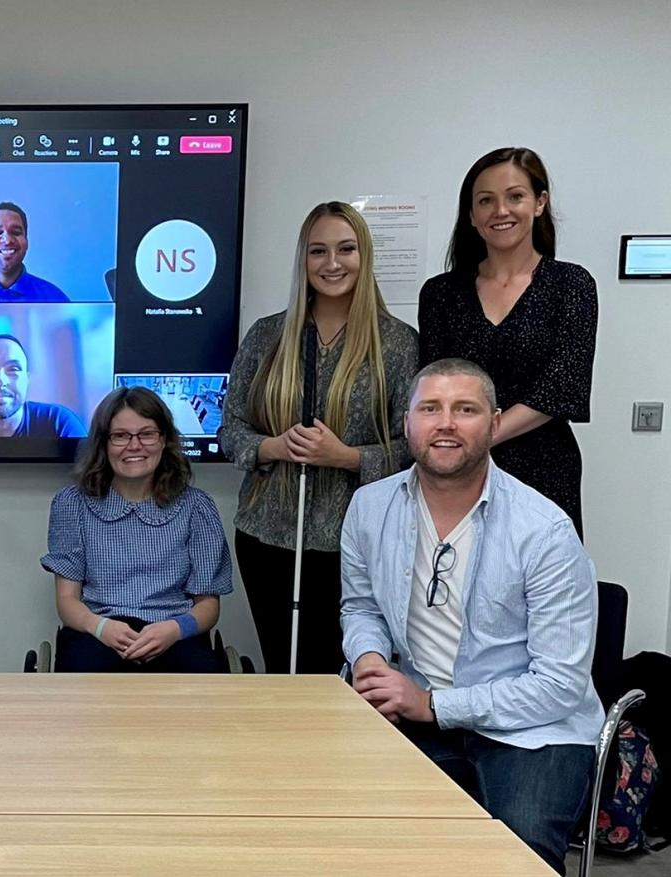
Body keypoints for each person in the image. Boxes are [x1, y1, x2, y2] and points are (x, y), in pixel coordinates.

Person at [341, 358, 600, 874]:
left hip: (534, 730)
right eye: (430, 408)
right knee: (366, 839)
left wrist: (434, 704)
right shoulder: (369, 508)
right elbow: (362, 606)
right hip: (413, 708)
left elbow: (558, 686)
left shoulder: (544, 530)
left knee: (516, 854)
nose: (446, 424)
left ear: (496, 423)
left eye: (466, 409)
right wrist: (368, 657)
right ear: (407, 421)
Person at [218, 202, 419, 674]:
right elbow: (229, 430)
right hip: (267, 536)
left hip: (358, 539)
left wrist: (346, 456)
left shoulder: (397, 343)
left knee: (341, 674)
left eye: (345, 249)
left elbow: (415, 447)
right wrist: (273, 447)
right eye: (318, 251)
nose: (332, 263)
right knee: (283, 671)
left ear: (364, 256)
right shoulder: (268, 335)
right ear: (303, 260)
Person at [418, 147, 597, 538]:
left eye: (515, 196)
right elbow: (433, 384)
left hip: (542, 467)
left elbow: (564, 386)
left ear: (539, 203)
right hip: (457, 469)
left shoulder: (571, 285)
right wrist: (461, 442)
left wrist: (481, 435)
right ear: (471, 214)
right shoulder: (440, 293)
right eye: (486, 200)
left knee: (541, 586)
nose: (501, 211)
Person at [41, 387, 232, 672]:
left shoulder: (197, 507)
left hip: (174, 631)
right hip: (98, 631)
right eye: (120, 436)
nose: (134, 446)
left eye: (147, 433)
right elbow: (67, 601)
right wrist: (102, 627)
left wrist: (174, 630)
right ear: (103, 444)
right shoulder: (72, 505)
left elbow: (208, 606)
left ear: (164, 440)